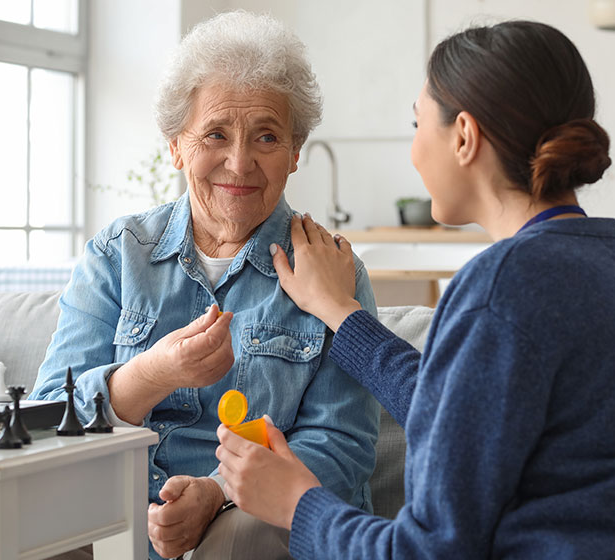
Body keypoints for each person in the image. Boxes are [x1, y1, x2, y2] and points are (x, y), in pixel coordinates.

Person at [215, 20, 615, 558]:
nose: (412, 152)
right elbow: (459, 409)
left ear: (465, 136)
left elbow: (428, 551)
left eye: (416, 124)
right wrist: (340, 312)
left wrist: (296, 502)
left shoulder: (501, 289)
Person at [32, 11, 380, 560]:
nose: (239, 163)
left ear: (294, 152)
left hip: (252, 525)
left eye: (266, 136)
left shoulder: (332, 270)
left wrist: (217, 494)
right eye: (215, 133)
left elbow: (343, 445)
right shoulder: (116, 256)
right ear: (176, 146)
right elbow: (47, 414)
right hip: (120, 520)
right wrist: (151, 374)